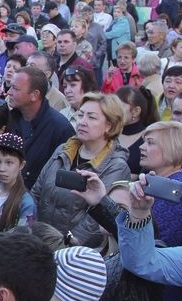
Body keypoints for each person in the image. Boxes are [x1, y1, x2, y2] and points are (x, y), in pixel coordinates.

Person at [33, 92, 129, 249]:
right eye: (80, 115)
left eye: (91, 117)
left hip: (72, 251)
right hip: (38, 242)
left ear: (109, 126)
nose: (82, 122)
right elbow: (36, 192)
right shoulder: (62, 150)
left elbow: (92, 225)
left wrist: (63, 247)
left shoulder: (116, 166)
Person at [6, 66, 76, 188]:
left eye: (15, 88)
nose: (9, 92)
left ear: (35, 95)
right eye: (11, 86)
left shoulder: (60, 128)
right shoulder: (9, 119)